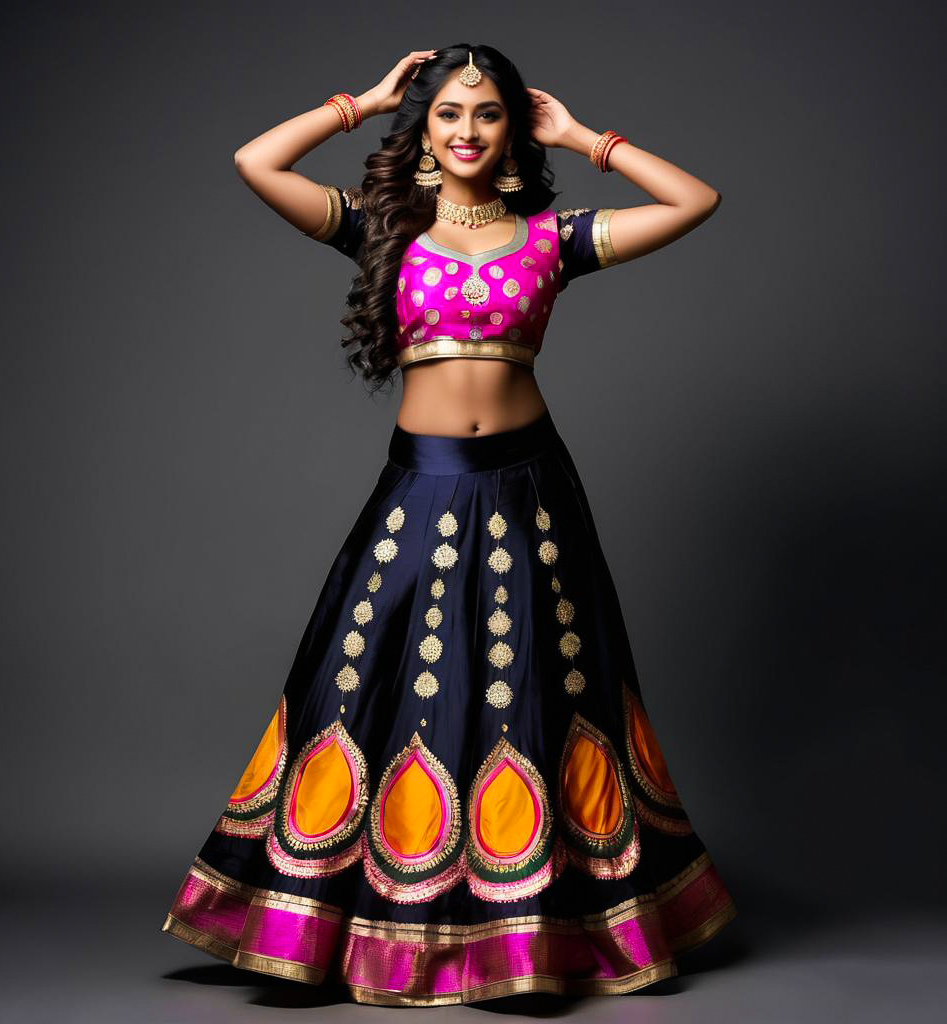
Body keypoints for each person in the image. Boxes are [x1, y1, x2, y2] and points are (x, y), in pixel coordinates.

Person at [161, 43, 736, 1006]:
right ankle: (339, 922)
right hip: (420, 489)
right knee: (371, 687)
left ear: (514, 131)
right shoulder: (386, 228)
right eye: (448, 115)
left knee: (530, 697)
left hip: (530, 492)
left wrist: (589, 138)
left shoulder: (553, 237)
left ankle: (525, 936)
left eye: (489, 114)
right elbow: (256, 164)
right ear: (424, 132)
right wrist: (361, 102)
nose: (467, 130)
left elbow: (694, 200)